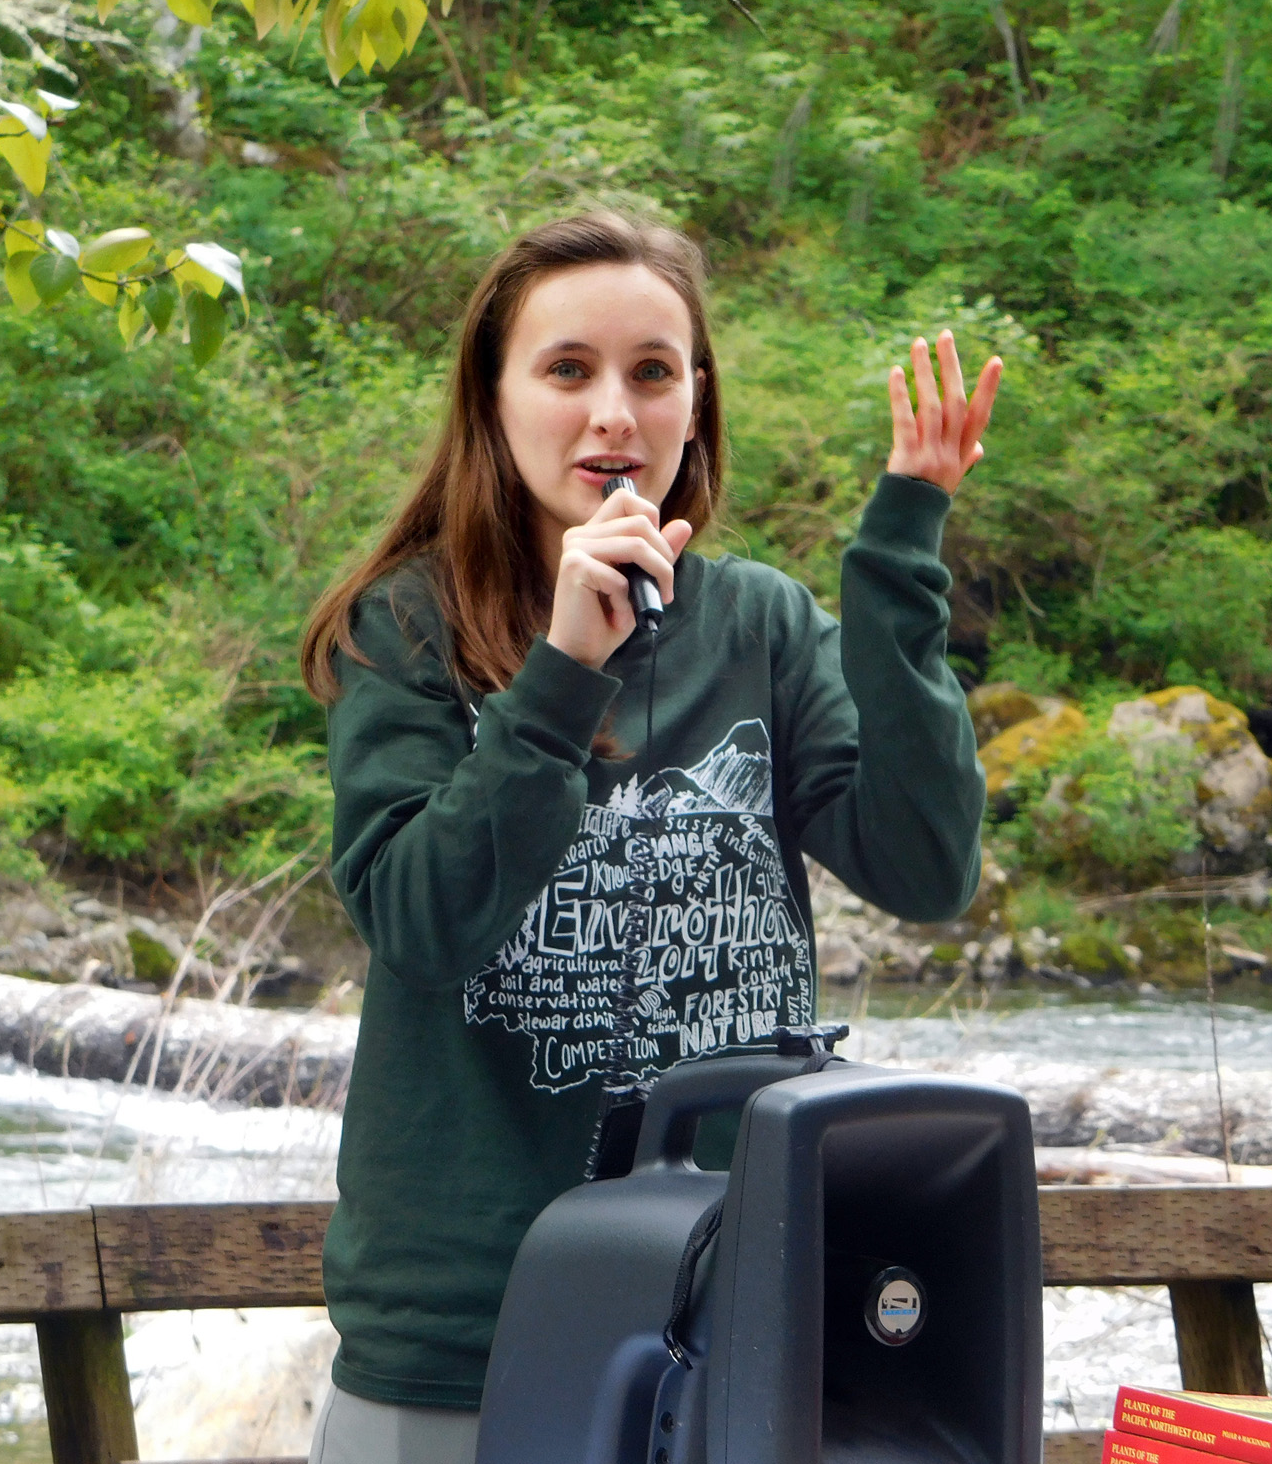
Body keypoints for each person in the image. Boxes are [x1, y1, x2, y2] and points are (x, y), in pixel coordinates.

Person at [297, 209, 1001, 1464]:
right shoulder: (403, 627)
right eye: (567, 370)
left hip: (735, 1315)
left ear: (696, 402)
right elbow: (419, 921)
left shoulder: (760, 627)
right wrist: (562, 669)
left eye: (652, 372)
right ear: (493, 398)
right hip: (464, 1339)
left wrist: (899, 553)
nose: (612, 415)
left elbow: (924, 865)